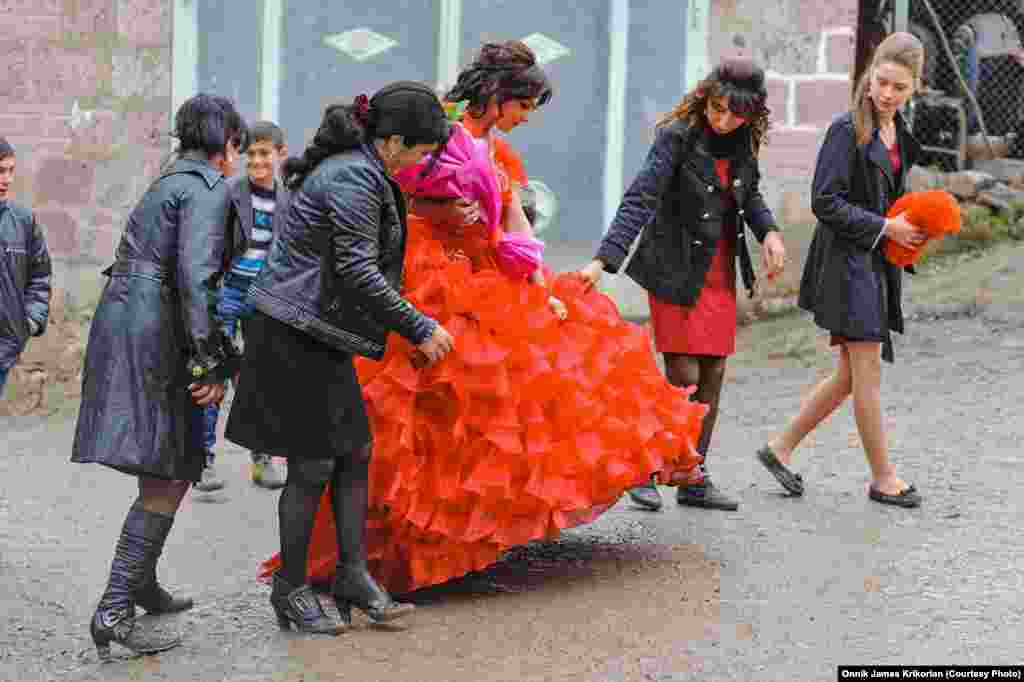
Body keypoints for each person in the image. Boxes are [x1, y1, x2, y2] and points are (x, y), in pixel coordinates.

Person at [266, 41, 706, 596]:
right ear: (497, 97)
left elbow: (515, 219)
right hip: (427, 273)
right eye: (524, 107)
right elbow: (391, 202)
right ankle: (392, 549)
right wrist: (441, 213)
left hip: (487, 271)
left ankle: (472, 532)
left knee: (529, 388)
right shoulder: (430, 134)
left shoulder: (497, 149)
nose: (526, 119)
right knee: (424, 411)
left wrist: (538, 279)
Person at [225, 82, 455, 634]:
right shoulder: (353, 175)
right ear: (394, 141)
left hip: (315, 328)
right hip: (292, 329)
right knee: (313, 463)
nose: (421, 165)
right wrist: (418, 326)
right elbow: (356, 269)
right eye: (421, 153)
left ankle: (352, 574)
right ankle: (291, 590)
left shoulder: (361, 169)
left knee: (354, 451)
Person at [71, 94, 247, 659]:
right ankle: (115, 608)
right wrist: (209, 360)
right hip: (159, 326)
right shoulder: (207, 188)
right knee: (171, 464)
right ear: (228, 147)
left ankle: (139, 585)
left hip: (128, 316)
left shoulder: (167, 181)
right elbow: (197, 279)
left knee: (165, 458)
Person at [580, 57, 787, 512]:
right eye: (716, 108)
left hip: (717, 270)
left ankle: (693, 476)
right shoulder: (677, 137)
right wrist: (604, 261)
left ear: (751, 114)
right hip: (674, 266)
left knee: (712, 375)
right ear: (705, 97)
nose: (723, 119)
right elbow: (641, 197)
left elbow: (748, 194)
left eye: (735, 114)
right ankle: (645, 467)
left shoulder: (741, 142)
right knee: (683, 376)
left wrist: (769, 231)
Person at [756, 32, 926, 509]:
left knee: (851, 376)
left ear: (915, 88)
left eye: (899, 87)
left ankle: (779, 448)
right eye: (881, 82)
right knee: (866, 373)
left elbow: (891, 201)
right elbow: (824, 201)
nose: (887, 94)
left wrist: (910, 227)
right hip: (845, 263)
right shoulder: (845, 129)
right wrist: (884, 227)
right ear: (868, 76)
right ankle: (884, 478)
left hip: (874, 262)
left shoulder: (900, 136)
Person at [196, 121, 290, 492]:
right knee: (214, 371)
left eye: (264, 153)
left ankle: (261, 457)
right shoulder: (230, 194)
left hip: (264, 299)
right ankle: (203, 458)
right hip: (228, 294)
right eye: (250, 153)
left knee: (260, 380)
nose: (256, 160)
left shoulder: (288, 200)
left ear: (280, 155)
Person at [0, 136, 51, 398]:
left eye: (10, 171)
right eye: (0, 171)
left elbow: (40, 277)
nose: (7, 179)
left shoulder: (23, 222)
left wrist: (29, 320)